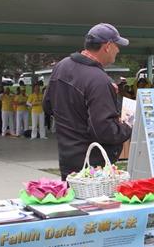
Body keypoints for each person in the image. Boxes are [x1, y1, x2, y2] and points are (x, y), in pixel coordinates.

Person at [43, 23, 132, 180]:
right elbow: (104, 131)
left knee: (74, 203)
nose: (118, 50)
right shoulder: (99, 80)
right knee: (96, 205)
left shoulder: (61, 66)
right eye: (117, 45)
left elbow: (48, 105)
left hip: (67, 158)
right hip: (94, 167)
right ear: (107, 46)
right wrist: (128, 125)